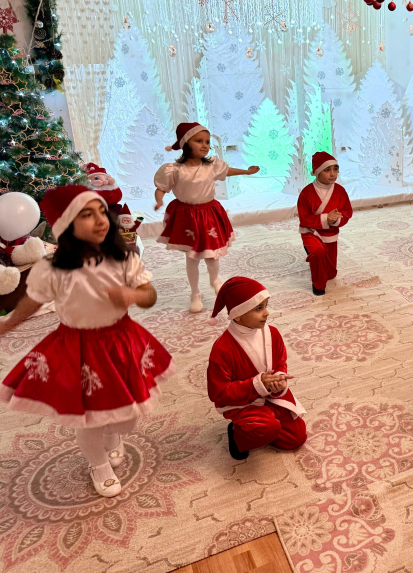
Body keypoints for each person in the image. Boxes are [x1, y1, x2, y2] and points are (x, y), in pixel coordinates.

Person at [0, 186, 172, 497]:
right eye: (87, 214)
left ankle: (113, 436)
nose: (100, 219)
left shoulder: (122, 258)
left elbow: (149, 295)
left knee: (128, 415)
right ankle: (98, 464)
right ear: (67, 224)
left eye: (101, 211)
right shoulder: (52, 268)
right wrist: (10, 322)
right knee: (88, 417)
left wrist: (132, 294)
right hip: (77, 348)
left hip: (121, 340)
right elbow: (33, 300)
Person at [153, 122, 259, 313]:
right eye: (199, 141)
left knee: (212, 254)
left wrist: (247, 171)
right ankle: (195, 293)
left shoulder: (211, 166)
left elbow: (228, 171)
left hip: (208, 214)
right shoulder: (174, 169)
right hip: (187, 217)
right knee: (192, 257)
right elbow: (161, 187)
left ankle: (215, 279)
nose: (205, 145)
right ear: (186, 143)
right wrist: (159, 200)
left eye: (207, 142)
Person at [207, 277, 306, 460]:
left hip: (271, 395)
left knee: (296, 438)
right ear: (238, 314)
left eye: (266, 306)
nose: (266, 313)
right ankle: (237, 433)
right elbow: (217, 392)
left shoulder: (273, 333)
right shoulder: (222, 349)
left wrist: (279, 378)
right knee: (267, 429)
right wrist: (256, 385)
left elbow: (280, 362)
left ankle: (267, 422)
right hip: (243, 403)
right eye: (259, 308)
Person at [297, 152, 353, 295]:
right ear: (316, 172)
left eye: (335, 169)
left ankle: (315, 255)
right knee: (318, 252)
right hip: (310, 232)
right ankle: (318, 286)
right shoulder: (306, 193)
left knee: (331, 273)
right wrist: (325, 218)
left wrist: (336, 219)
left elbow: (347, 211)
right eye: (327, 170)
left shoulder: (340, 191)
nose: (333, 174)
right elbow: (304, 218)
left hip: (330, 233)